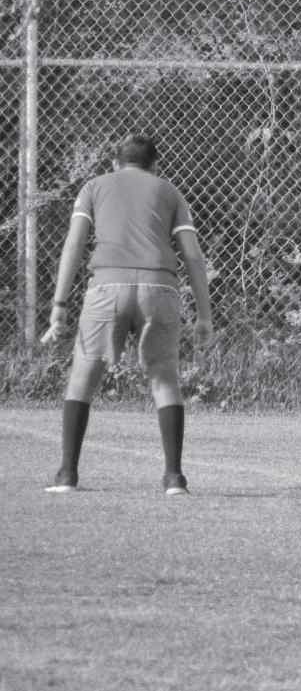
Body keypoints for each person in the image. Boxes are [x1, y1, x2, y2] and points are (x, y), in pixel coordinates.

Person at [43, 135, 214, 495]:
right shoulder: (169, 191)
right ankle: (174, 479)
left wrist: (59, 305)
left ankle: (67, 476)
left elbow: (75, 243)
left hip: (108, 287)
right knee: (164, 378)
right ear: (155, 166)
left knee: (83, 375)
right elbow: (192, 255)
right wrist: (204, 314)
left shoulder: (94, 187)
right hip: (159, 289)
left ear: (115, 163)